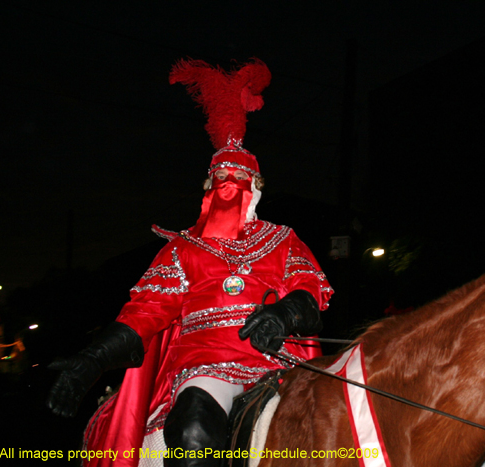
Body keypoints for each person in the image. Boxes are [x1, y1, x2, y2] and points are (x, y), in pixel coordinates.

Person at [47, 58, 333, 467]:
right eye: (220, 181)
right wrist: (92, 359)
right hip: (206, 366)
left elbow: (310, 288)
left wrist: (286, 312)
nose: (229, 189)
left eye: (240, 182)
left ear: (256, 190)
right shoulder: (183, 249)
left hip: (275, 359)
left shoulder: (283, 239)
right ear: (206, 189)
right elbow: (145, 313)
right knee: (194, 426)